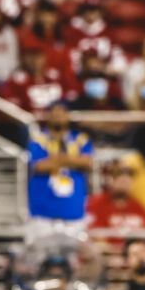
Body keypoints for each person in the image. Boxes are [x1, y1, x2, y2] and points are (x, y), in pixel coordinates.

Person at [25, 102, 94, 240]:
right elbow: (38, 166)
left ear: (68, 116)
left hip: (74, 213)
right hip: (42, 214)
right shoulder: (37, 139)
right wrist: (72, 160)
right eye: (54, 113)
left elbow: (87, 162)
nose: (58, 116)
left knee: (75, 259)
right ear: (48, 116)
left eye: (62, 113)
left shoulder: (81, 139)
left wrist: (56, 159)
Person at [86, 162, 145, 240]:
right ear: (108, 179)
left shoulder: (138, 206)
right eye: (117, 174)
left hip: (134, 251)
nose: (124, 179)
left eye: (129, 175)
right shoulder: (95, 203)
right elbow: (95, 238)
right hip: (106, 251)